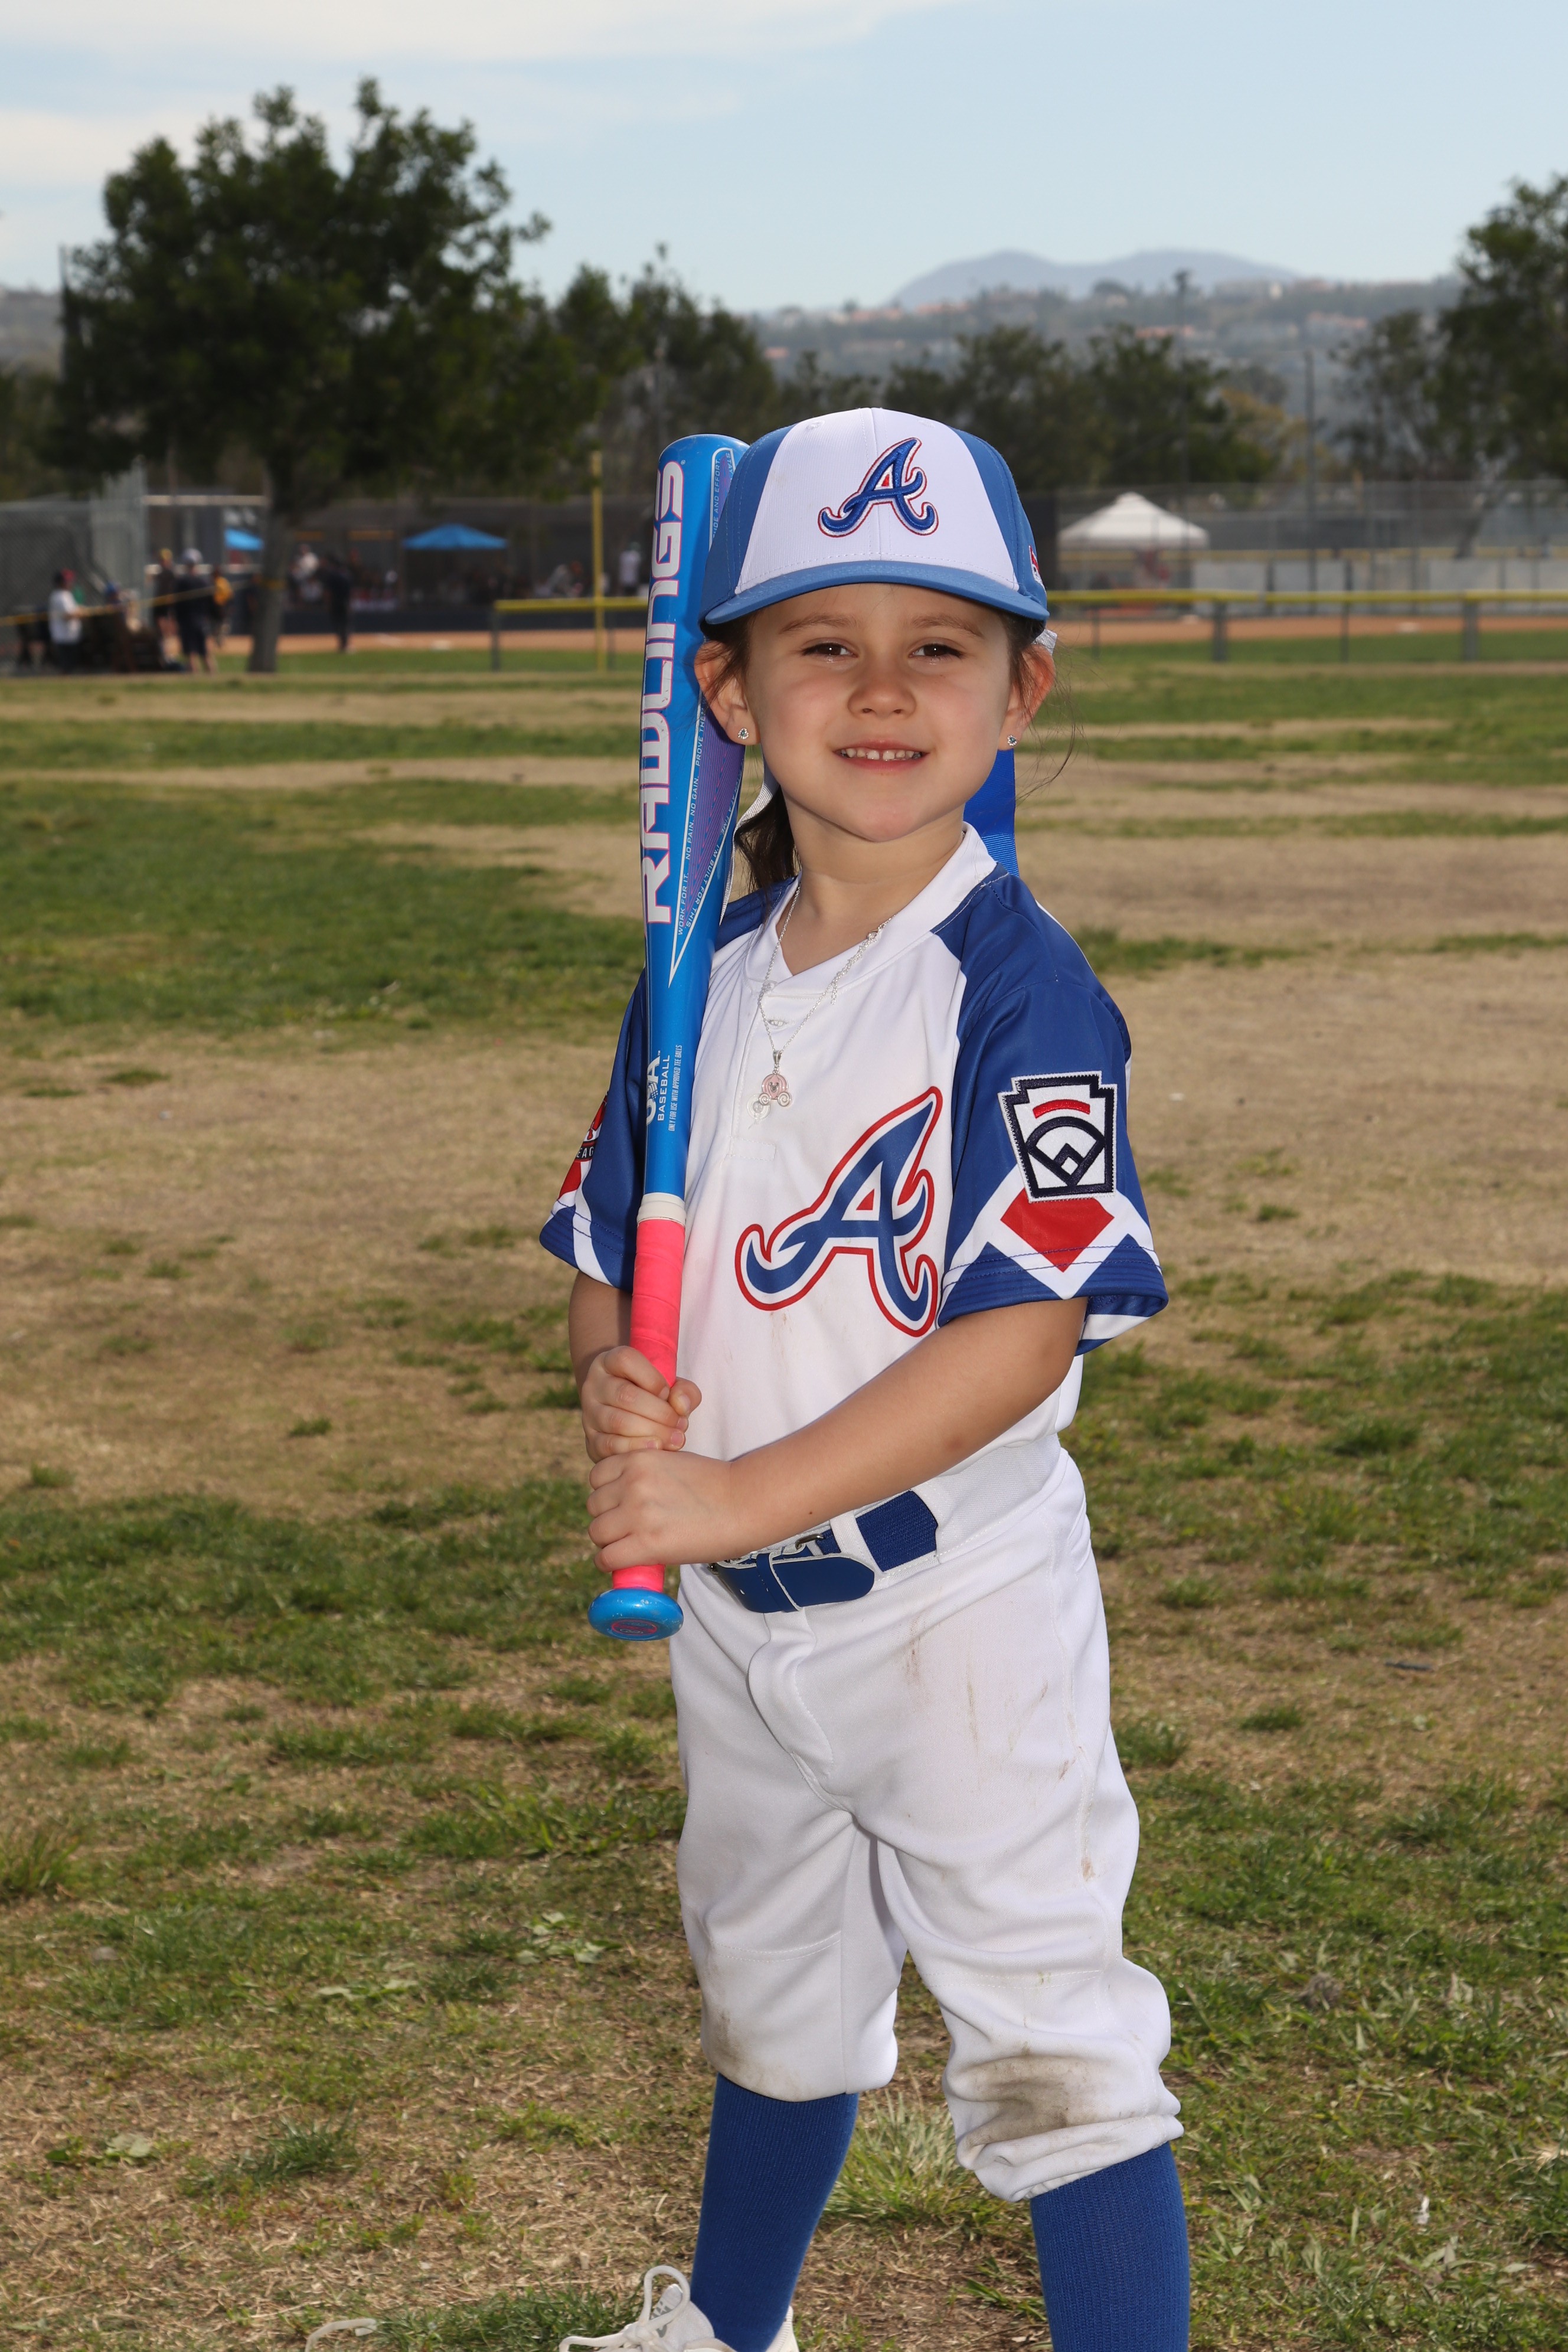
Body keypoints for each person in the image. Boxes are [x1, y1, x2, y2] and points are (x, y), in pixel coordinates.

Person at [540, 410, 1188, 2352]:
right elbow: (612, 1246)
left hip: (954, 1606)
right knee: (773, 2003)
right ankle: (726, 2329)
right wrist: (617, 1388)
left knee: (1052, 2048)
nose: (884, 689)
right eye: (824, 643)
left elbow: (1022, 1330)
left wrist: (735, 1492)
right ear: (730, 693)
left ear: (1021, 689)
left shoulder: (1019, 992)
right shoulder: (699, 976)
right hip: (740, 1619)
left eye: (941, 644)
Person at [47, 567, 84, 672]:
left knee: (71, 664)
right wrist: (80, 612)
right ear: (60, 582)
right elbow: (67, 616)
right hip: (64, 636)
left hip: (70, 635)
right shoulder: (60, 596)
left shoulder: (67, 595)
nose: (70, 583)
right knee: (67, 666)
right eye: (67, 581)